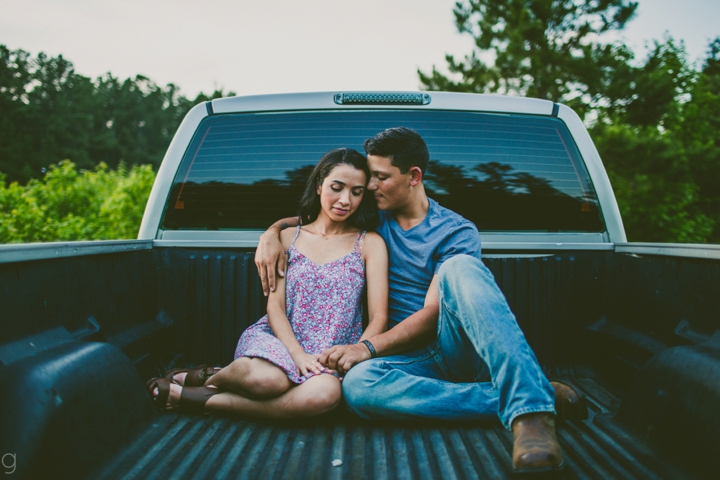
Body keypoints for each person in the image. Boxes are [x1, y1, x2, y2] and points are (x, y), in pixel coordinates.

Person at [255, 127, 587, 473]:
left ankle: (531, 415)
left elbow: (431, 314)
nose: (369, 187)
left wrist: (365, 348)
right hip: (402, 361)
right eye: (369, 178)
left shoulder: (455, 231)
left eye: (380, 178)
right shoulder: (372, 217)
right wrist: (272, 233)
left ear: (413, 177)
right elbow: (320, 220)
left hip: (451, 346)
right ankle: (528, 393)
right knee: (358, 387)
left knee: (459, 267)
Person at [147, 148, 388, 419]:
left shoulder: (369, 243)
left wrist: (355, 355)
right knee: (268, 381)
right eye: (337, 187)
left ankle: (201, 396)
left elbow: (379, 316)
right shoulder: (287, 239)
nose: (346, 200)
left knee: (325, 395)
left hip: (331, 355)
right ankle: (213, 378)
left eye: (356, 192)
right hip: (280, 341)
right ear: (319, 185)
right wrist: (297, 355)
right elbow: (275, 306)